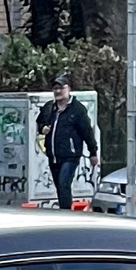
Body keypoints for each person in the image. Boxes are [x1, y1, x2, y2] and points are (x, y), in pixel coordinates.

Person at [45, 81, 97, 209]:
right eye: (55, 88)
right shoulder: (50, 108)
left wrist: (93, 152)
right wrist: (43, 128)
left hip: (70, 155)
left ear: (68, 89)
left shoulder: (77, 109)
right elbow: (41, 122)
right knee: (59, 185)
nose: (58, 91)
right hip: (53, 155)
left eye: (61, 88)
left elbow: (87, 132)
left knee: (64, 183)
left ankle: (65, 212)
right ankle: (64, 207)